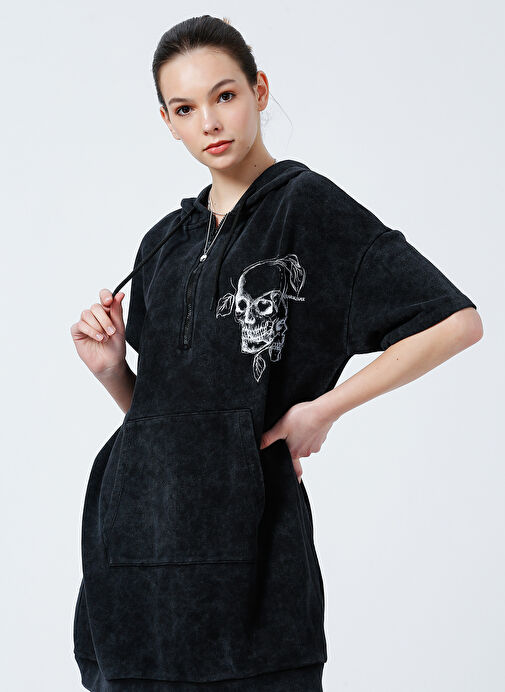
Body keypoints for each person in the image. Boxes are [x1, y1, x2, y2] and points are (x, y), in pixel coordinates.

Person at [70, 14, 483, 692]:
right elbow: (166, 417)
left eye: (224, 95)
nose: (209, 122)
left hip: (251, 560)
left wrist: (323, 410)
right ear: (167, 122)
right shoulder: (163, 242)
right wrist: (114, 370)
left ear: (259, 90)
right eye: (185, 108)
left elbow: (454, 322)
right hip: (133, 559)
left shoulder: (307, 208)